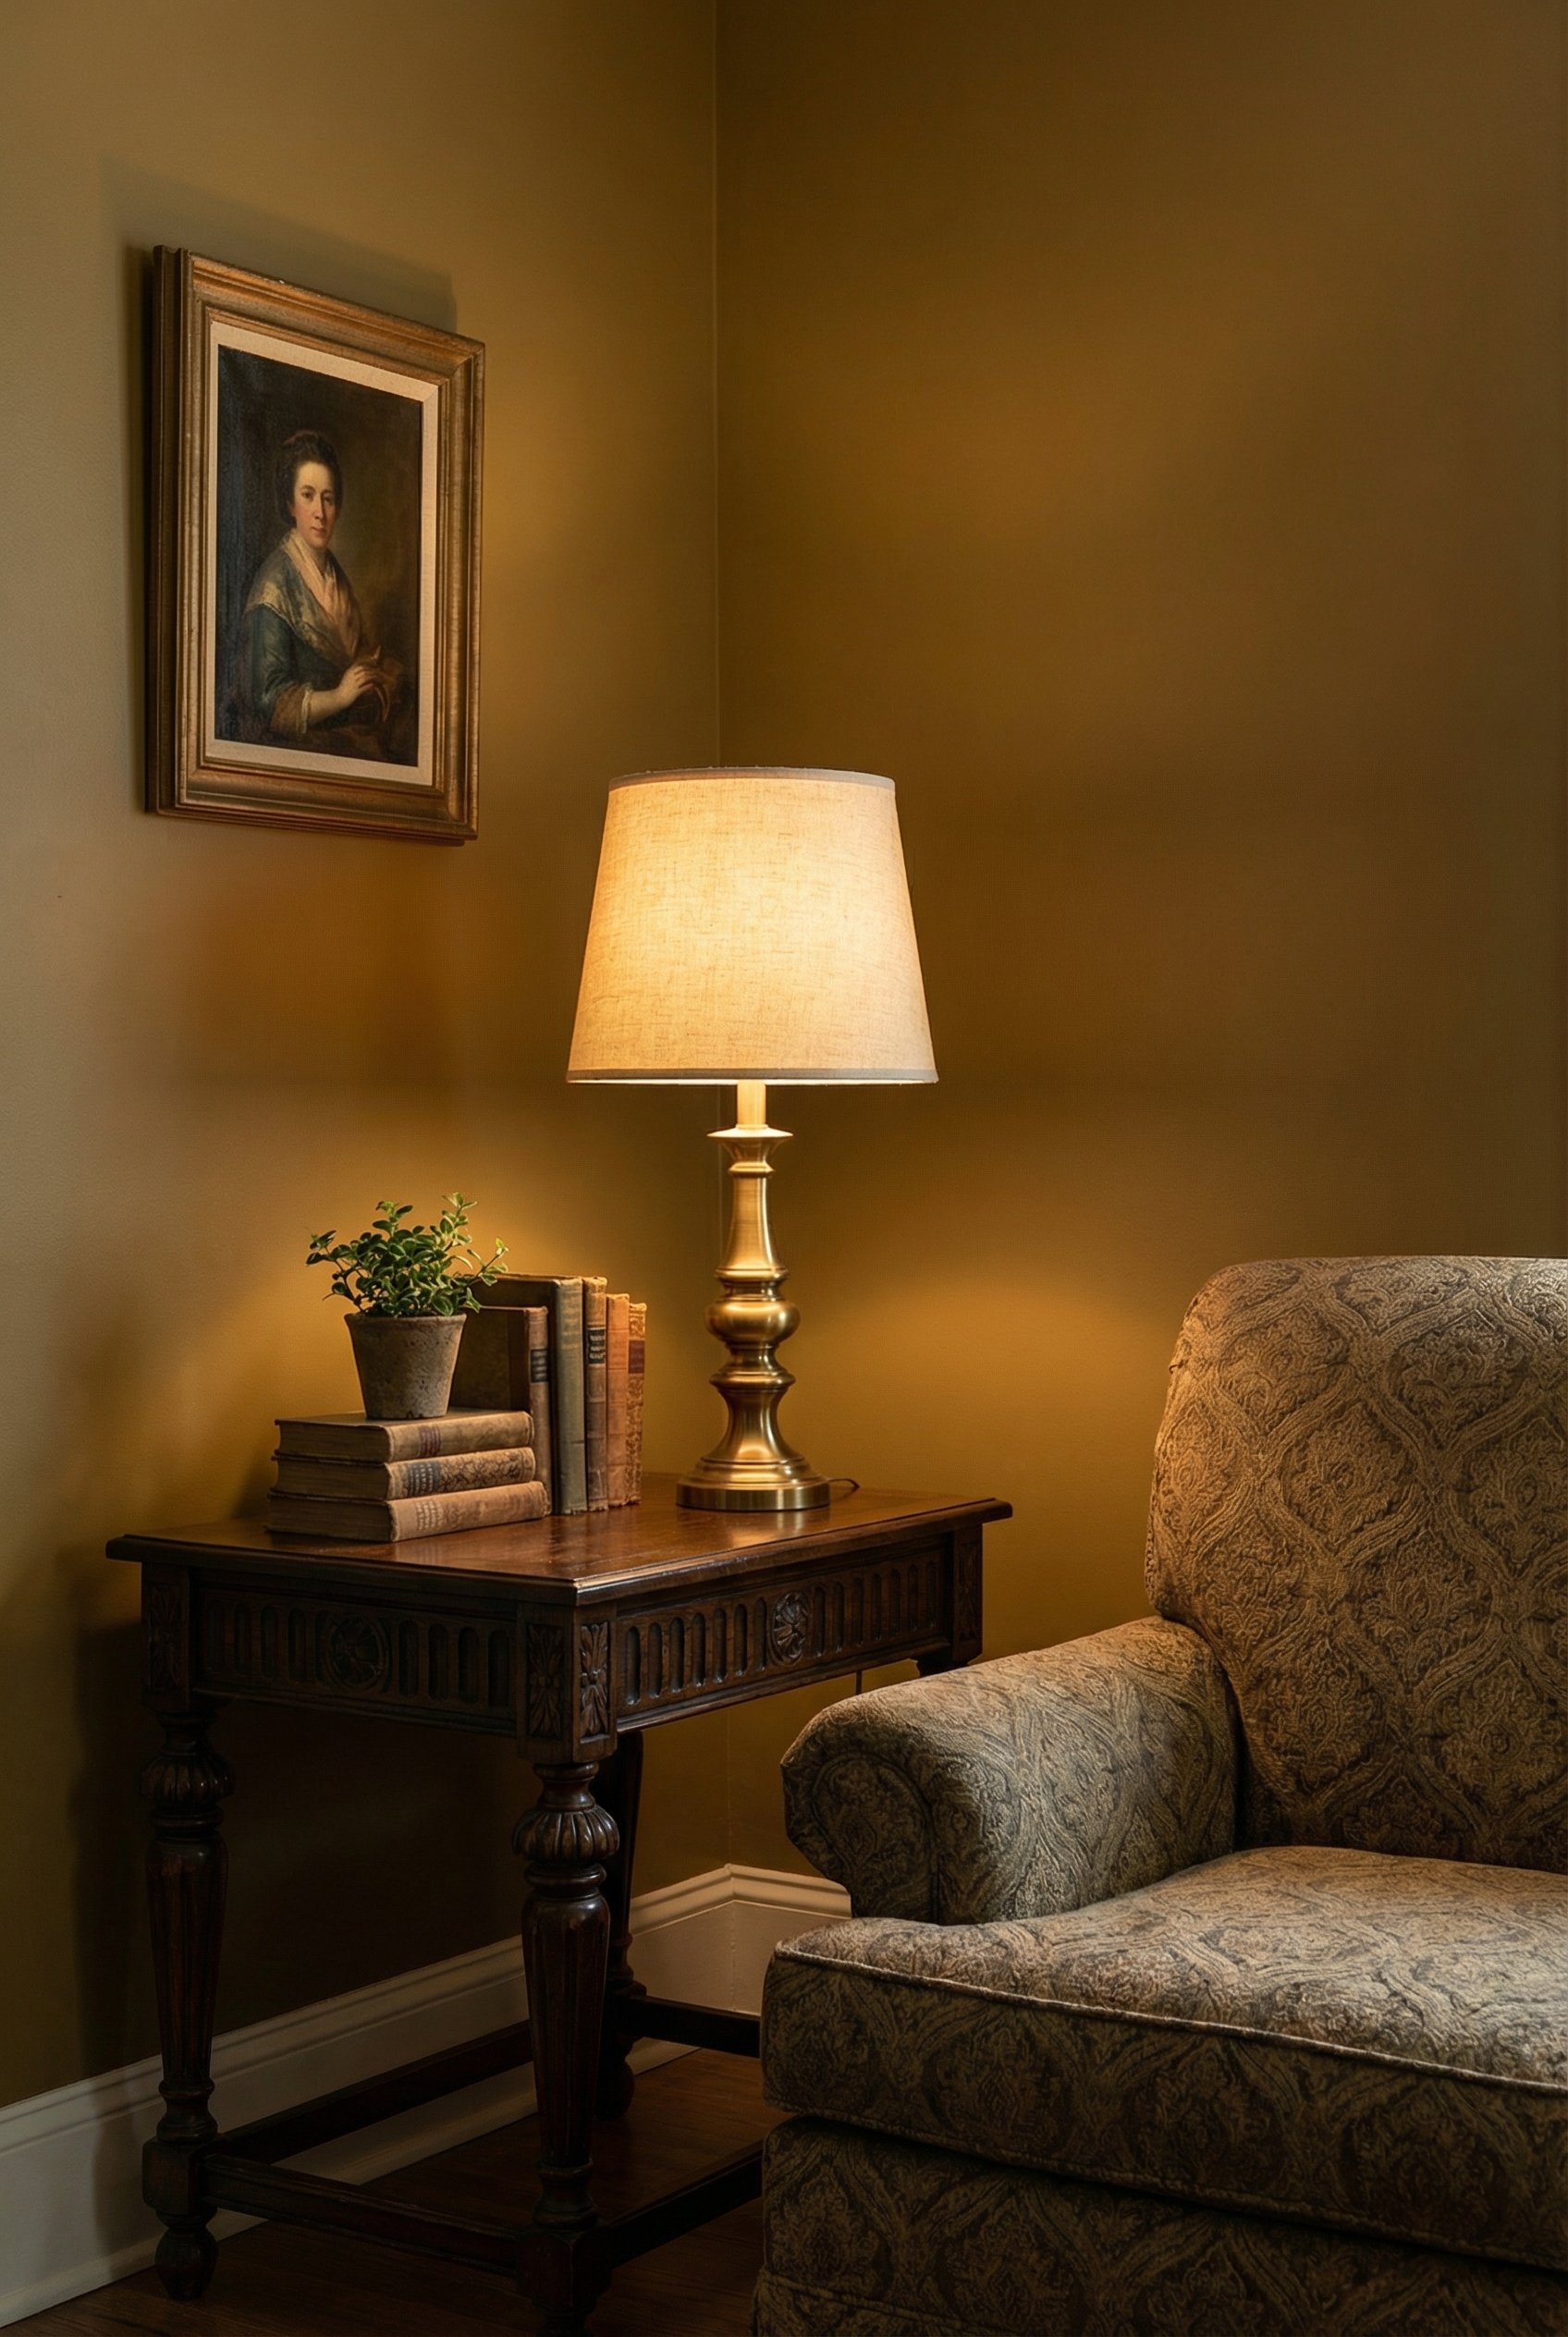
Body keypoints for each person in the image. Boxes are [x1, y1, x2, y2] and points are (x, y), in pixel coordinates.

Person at [236, 430, 404, 759]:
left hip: (345, 729)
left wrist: (377, 673)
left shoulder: (333, 573)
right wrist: (340, 697)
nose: (320, 512)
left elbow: (357, 651)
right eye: (308, 495)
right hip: (295, 747)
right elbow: (268, 702)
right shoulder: (273, 584)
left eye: (328, 498)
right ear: (290, 504)